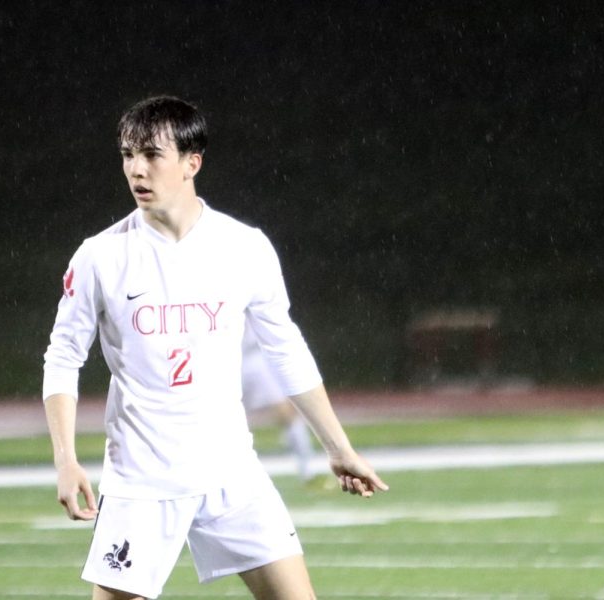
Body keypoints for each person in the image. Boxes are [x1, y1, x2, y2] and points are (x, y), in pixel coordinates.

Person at [42, 95, 388, 600]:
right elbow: (62, 358)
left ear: (191, 162)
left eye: (151, 155)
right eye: (127, 154)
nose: (136, 169)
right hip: (142, 479)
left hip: (231, 471)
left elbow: (285, 348)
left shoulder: (243, 246)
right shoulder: (101, 256)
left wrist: (338, 448)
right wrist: (66, 460)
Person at [240, 325, 317, 484]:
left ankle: (307, 468)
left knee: (286, 412)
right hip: (225, 358)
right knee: (223, 418)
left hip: (254, 355)